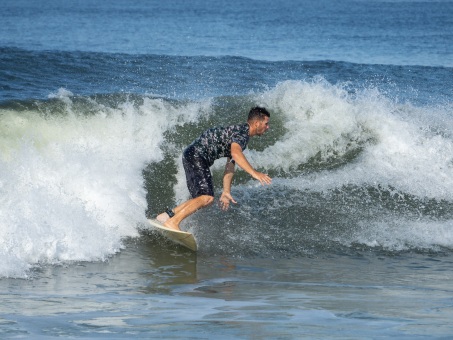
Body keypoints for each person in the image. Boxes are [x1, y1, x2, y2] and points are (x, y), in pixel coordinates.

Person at [156, 106, 272, 231]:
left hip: (192, 154)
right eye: (266, 123)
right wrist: (254, 173)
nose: (267, 127)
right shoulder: (243, 134)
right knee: (207, 197)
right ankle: (173, 222)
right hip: (197, 156)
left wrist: (226, 191)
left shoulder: (240, 132)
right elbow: (236, 154)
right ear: (256, 123)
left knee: (202, 198)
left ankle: (167, 216)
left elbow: (231, 164)